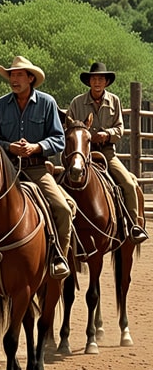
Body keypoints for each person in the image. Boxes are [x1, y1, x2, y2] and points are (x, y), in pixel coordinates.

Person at [0, 56, 73, 279]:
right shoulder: (0, 105)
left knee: (63, 209)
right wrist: (10, 147)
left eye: (18, 75)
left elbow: (59, 139)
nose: (13, 79)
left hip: (36, 168)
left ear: (30, 78)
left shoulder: (47, 103)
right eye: (11, 75)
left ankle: (58, 256)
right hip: (4, 170)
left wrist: (36, 147)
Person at [66, 62, 148, 244]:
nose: (97, 82)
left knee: (128, 183)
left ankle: (134, 225)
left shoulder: (114, 101)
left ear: (106, 82)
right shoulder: (76, 103)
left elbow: (119, 129)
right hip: (82, 154)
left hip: (106, 153)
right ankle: (59, 230)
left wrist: (107, 134)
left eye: (101, 79)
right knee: (61, 182)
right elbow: (69, 127)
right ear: (89, 81)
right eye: (94, 78)